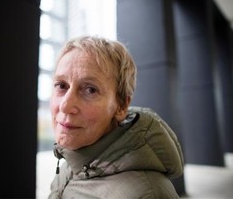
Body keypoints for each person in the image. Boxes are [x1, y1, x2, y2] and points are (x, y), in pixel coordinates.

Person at [48, 36, 184, 198]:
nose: (65, 106)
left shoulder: (147, 194)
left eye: (90, 90)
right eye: (61, 86)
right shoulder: (73, 163)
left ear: (121, 106)